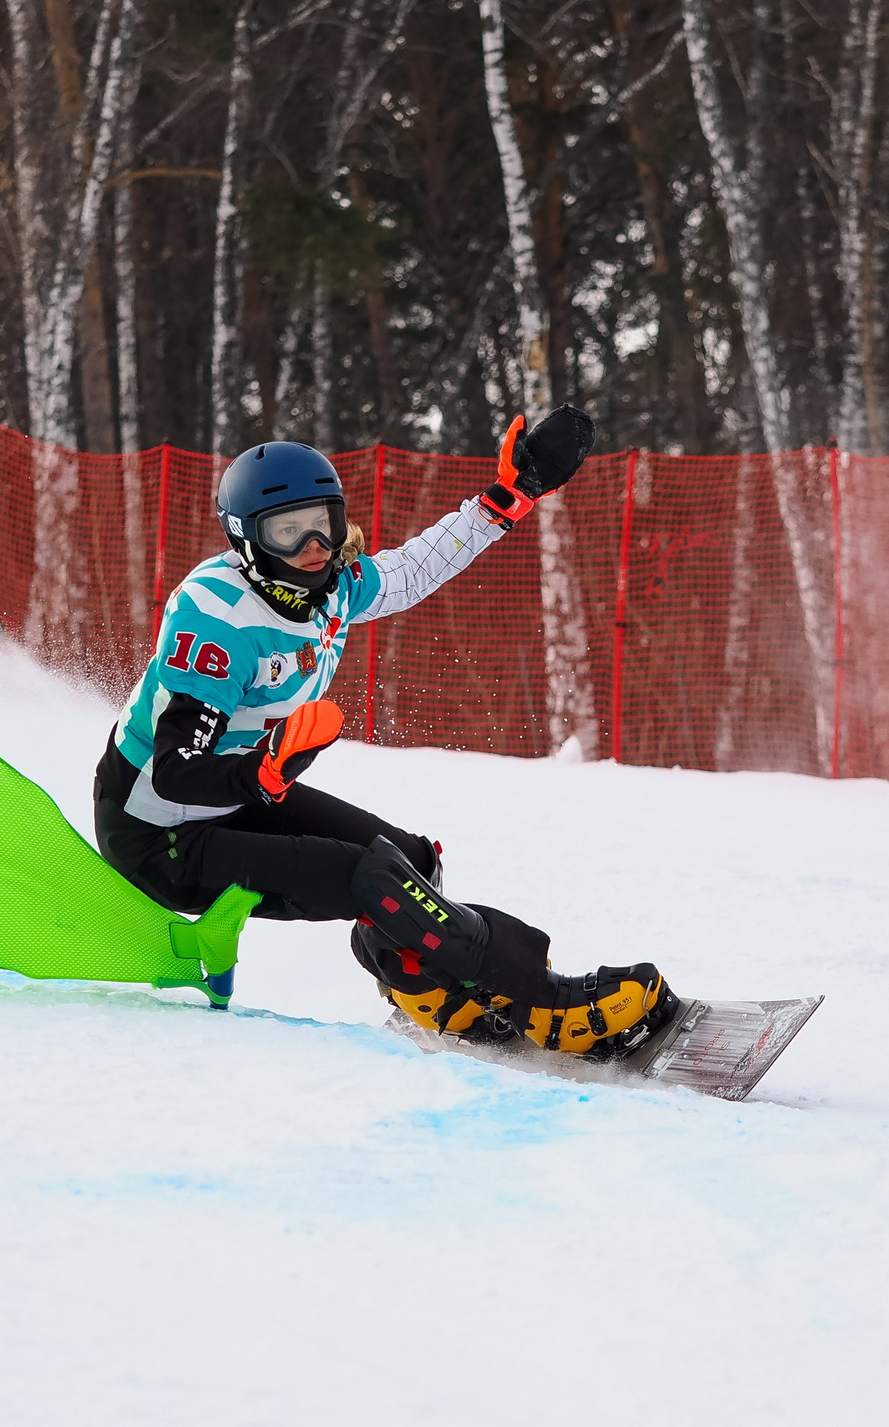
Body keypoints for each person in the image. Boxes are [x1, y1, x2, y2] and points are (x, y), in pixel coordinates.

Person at [92, 408, 679, 1057]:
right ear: (247, 540)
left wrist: (508, 496)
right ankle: (543, 999)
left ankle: (436, 995)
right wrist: (262, 770)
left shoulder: (332, 588)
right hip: (158, 830)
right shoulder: (218, 616)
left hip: (237, 793)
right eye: (287, 531)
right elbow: (176, 769)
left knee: (412, 861)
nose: (313, 546)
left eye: (323, 521)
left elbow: (412, 570)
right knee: (373, 876)